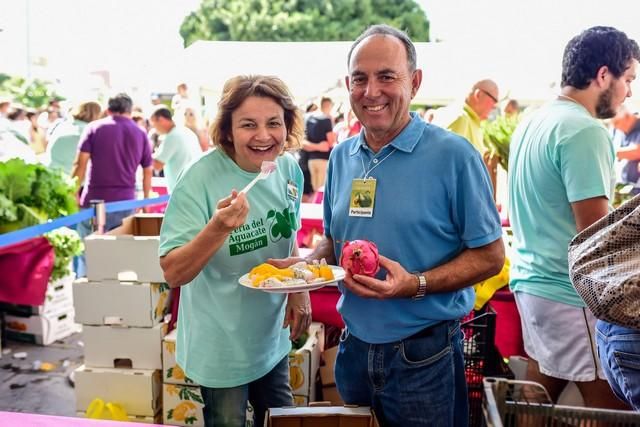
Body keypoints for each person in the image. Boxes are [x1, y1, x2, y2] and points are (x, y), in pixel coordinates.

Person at [273, 25, 504, 426]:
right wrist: (305, 267)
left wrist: (415, 284)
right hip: (353, 351)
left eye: (386, 76)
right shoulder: (343, 156)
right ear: (348, 85)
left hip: (424, 356)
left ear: (414, 83)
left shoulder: (453, 155)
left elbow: (490, 256)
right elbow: (334, 240)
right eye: (360, 78)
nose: (371, 91)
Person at [158, 75, 311, 427]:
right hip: (221, 346)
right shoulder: (198, 178)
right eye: (248, 125)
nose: (263, 136)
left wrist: (298, 288)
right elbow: (173, 272)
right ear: (227, 130)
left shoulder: (286, 167)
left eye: (274, 123)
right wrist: (218, 228)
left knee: (281, 420)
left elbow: (289, 237)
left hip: (271, 337)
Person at [508, 26, 639, 408]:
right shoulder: (583, 130)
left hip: (534, 282)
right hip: (571, 293)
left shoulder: (534, 121)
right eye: (628, 79)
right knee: (610, 405)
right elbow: (598, 239)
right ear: (603, 76)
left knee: (537, 392)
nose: (629, 92)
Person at [71, 93, 153, 277]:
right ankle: (116, 298)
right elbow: (148, 169)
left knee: (89, 253)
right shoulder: (140, 133)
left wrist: (72, 192)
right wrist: (146, 200)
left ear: (107, 110)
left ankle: (88, 295)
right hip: (125, 203)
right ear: (130, 111)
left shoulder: (94, 128)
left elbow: (80, 164)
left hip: (94, 203)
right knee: (120, 254)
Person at [432, 79, 499, 153]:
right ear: (478, 95)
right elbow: (446, 158)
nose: (494, 107)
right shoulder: (461, 119)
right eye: (494, 100)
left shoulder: (466, 119)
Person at [149, 106, 202, 192]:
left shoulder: (172, 136)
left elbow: (157, 165)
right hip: (195, 187)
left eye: (154, 124)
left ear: (161, 120)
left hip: (183, 191)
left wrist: (141, 154)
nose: (154, 129)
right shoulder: (186, 131)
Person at [46, 101, 102, 175]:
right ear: (97, 115)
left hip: (49, 171)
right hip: (71, 178)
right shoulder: (90, 132)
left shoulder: (61, 125)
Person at [303, 96, 335, 191]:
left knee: (315, 190)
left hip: (311, 160)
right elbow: (331, 142)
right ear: (328, 105)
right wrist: (321, 147)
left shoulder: (308, 119)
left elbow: (303, 142)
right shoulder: (327, 120)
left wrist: (315, 147)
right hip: (323, 160)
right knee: (321, 191)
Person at [611, 106, 640, 194]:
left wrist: (611, 151)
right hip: (623, 187)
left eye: (617, 123)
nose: (616, 127)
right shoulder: (616, 130)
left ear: (627, 116)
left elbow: (637, 152)